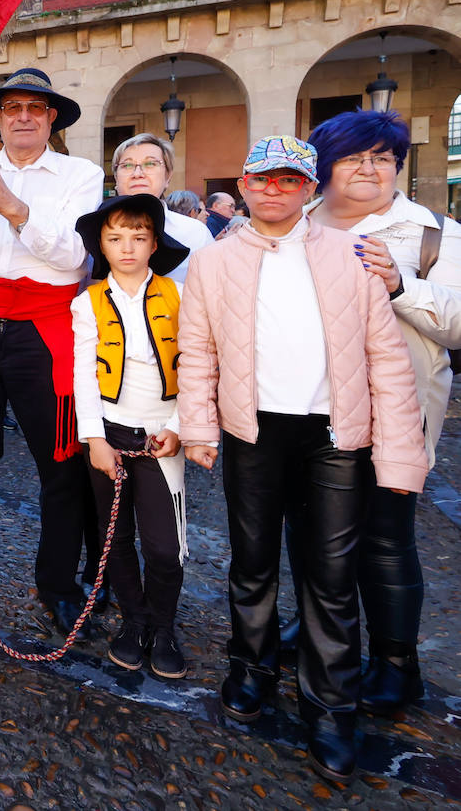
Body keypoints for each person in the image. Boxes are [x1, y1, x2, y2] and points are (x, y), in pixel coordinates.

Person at [178, 135, 426, 783]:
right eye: (264, 179)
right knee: (252, 562)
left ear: (310, 188)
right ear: (248, 183)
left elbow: (387, 363)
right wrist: (200, 426)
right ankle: (251, 667)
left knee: (332, 577)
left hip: (334, 436)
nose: (275, 190)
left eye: (290, 180)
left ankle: (329, 709)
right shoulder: (215, 261)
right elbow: (198, 350)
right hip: (255, 431)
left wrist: (399, 460)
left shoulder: (352, 258)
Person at [0, 69, 104, 632]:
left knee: (60, 465)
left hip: (42, 329)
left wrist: (12, 206)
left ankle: (57, 582)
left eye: (36, 107)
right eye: (11, 108)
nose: (24, 116)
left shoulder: (81, 174)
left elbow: (73, 256)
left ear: (52, 118)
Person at [306, 109, 461, 713]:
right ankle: (324, 634)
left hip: (395, 410)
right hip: (310, 407)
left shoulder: (432, 234)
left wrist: (401, 286)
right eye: (353, 157)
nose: (370, 168)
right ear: (326, 167)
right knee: (313, 531)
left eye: (383, 158)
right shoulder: (298, 222)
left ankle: (397, 663)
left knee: (386, 538)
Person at [71, 193, 190, 678]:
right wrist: (94, 439)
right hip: (108, 433)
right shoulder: (87, 302)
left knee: (165, 545)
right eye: (115, 238)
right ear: (101, 244)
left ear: (154, 243)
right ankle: (133, 620)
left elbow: (201, 363)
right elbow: (83, 373)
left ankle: (163, 625)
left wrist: (182, 427)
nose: (127, 247)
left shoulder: (181, 295)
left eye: (138, 237)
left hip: (164, 434)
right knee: (113, 536)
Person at [111, 134, 213, 282]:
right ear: (116, 178)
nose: (137, 174)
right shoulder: (95, 230)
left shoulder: (196, 234)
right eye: (127, 165)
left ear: (168, 177)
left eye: (150, 164)